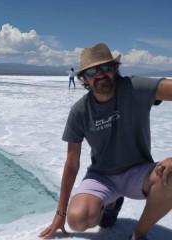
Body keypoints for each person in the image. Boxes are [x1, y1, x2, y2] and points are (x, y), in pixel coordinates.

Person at [39, 43, 172, 240]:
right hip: (102, 177)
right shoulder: (80, 111)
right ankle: (110, 204)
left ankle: (139, 234)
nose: (100, 74)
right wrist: (60, 214)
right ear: (84, 77)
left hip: (138, 172)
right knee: (77, 220)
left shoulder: (134, 88)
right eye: (92, 70)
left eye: (105, 67)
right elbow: (72, 162)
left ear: (114, 68)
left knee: (170, 176)